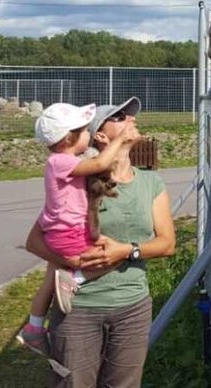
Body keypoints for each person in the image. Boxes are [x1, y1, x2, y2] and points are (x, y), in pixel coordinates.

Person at [25, 97, 176, 388]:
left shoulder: (151, 183)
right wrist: (71, 262)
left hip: (133, 305)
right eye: (119, 117)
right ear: (100, 136)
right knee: (74, 383)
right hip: (79, 308)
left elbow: (167, 244)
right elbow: (35, 241)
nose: (130, 119)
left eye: (130, 115)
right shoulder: (80, 182)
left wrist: (126, 251)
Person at [16, 102, 141, 356]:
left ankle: (35, 327)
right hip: (69, 233)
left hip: (63, 230)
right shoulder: (60, 161)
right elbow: (99, 165)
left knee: (51, 276)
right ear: (69, 137)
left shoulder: (64, 160)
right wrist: (118, 142)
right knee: (112, 256)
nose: (88, 135)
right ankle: (76, 279)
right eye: (84, 131)